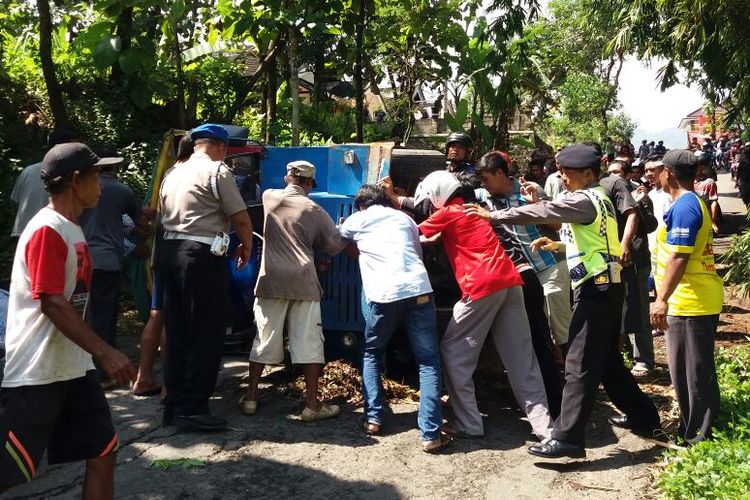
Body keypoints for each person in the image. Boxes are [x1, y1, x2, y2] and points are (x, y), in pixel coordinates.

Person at [466, 144, 660, 458]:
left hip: (596, 290)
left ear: (587, 173)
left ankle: (568, 437)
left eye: (567, 173)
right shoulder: (598, 198)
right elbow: (596, 241)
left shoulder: (584, 199)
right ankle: (644, 417)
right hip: (606, 286)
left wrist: (494, 215)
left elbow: (544, 211)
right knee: (608, 363)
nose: (562, 178)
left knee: (578, 363)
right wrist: (556, 245)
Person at [0, 143, 136, 497]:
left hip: (73, 368)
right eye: (96, 177)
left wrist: (90, 355)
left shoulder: (71, 227)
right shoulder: (47, 229)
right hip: (38, 372)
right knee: (10, 470)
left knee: (103, 450)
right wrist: (106, 351)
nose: (102, 185)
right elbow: (52, 303)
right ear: (76, 181)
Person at [416, 170, 553, 441]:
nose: (430, 206)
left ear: (438, 195)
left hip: (481, 284)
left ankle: (470, 424)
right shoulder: (473, 210)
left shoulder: (447, 213)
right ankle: (546, 430)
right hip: (511, 280)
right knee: (522, 359)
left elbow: (412, 232)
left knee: (454, 351)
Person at [338, 184, 448, 452]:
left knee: (372, 353)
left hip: (383, 296)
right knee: (428, 362)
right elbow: (417, 253)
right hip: (419, 290)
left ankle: (374, 418)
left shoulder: (359, 218)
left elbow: (338, 236)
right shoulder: (405, 218)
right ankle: (431, 434)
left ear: (361, 204)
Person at [159, 124, 254, 432]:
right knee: (207, 331)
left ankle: (173, 402)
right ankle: (193, 407)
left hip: (169, 251)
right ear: (221, 147)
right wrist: (247, 245)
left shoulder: (173, 173)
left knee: (177, 329)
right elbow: (239, 216)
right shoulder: (217, 171)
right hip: (200, 256)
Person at [242, 160, 347, 422]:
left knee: (264, 338)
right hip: (303, 283)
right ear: (310, 183)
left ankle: (251, 398)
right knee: (309, 343)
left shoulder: (269, 197)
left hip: (271, 280)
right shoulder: (315, 210)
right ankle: (312, 404)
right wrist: (343, 227)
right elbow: (334, 245)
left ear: (287, 178)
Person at [474, 151, 565, 417]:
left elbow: (556, 225)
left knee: (554, 331)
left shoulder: (529, 190)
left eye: (486, 177)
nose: (483, 183)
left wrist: (535, 206)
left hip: (547, 265)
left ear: (501, 174)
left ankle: (566, 391)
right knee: (533, 334)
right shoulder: (483, 199)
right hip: (519, 275)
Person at [651, 149, 724, 445]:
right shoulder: (687, 203)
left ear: (669, 173)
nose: (657, 175)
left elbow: (680, 256)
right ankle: (690, 430)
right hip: (689, 299)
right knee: (686, 371)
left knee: (693, 373)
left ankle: (697, 438)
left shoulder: (685, 206)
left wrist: (661, 299)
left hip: (690, 301)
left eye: (660, 170)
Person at [132, 134, 195, 398]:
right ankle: (170, 385)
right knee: (174, 319)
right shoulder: (189, 175)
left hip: (160, 254)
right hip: (176, 255)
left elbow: (154, 215)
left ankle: (143, 377)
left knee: (157, 315)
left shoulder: (167, 175)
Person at [79, 148, 144, 385]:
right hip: (106, 260)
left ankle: (83, 369)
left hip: (80, 259)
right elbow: (137, 223)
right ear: (116, 166)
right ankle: (103, 371)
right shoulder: (120, 190)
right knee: (104, 316)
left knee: (82, 315)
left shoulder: (79, 189)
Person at [603, 161, 658, 375]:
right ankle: (620, 356)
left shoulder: (640, 196)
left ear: (626, 175)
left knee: (639, 311)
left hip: (636, 261)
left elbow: (650, 226)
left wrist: (638, 205)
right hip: (613, 261)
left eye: (617, 173)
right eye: (610, 173)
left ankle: (644, 359)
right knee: (619, 311)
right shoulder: (607, 194)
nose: (613, 177)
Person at [10, 129, 79, 237]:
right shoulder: (70, 174)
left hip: (23, 233)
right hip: (50, 234)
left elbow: (16, 202)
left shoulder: (28, 171)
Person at [693, 153, 721, 233]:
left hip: (705, 218)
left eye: (696, 166)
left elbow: (713, 202)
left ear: (702, 167)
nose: (694, 169)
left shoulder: (709, 183)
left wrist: (712, 221)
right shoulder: (686, 182)